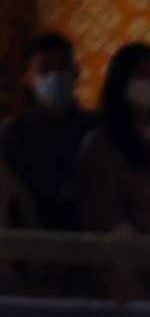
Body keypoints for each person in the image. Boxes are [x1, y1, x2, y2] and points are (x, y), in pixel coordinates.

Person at [68, 41, 150, 251]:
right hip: (124, 258)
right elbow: (104, 212)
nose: (149, 84)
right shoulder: (101, 143)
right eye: (140, 75)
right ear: (122, 80)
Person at [2, 33, 86, 229]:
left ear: (75, 72)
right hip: (37, 240)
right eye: (45, 69)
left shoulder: (96, 127)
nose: (55, 76)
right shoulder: (13, 133)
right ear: (28, 78)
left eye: (62, 67)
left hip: (97, 240)